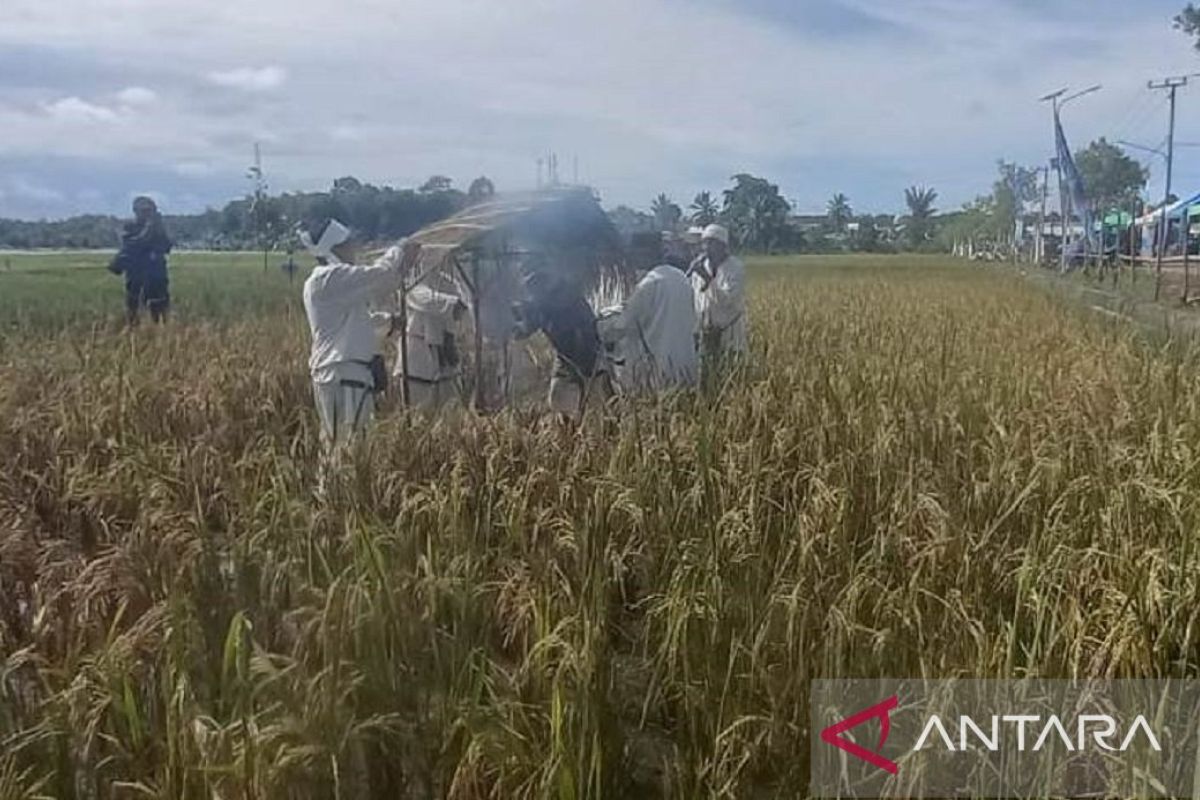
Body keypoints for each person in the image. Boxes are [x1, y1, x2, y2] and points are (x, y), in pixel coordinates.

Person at [301, 219, 422, 454]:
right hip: (343, 373)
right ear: (334, 248)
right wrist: (398, 249)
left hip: (342, 373)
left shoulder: (330, 282)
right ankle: (340, 491)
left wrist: (389, 322)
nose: (353, 248)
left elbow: (360, 319)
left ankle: (337, 490)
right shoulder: (329, 277)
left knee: (341, 447)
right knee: (350, 450)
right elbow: (378, 275)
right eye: (347, 244)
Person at [599, 236, 698, 393]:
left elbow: (623, 324)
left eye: (637, 254)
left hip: (656, 370)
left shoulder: (650, 283)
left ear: (647, 253)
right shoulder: (681, 277)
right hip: (684, 366)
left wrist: (598, 329)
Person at [514, 267, 609, 419]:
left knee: (595, 412)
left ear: (543, 283)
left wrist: (582, 368)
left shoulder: (570, 300)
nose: (531, 292)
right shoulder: (540, 306)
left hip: (589, 360)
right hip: (566, 360)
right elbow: (522, 331)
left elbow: (587, 334)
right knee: (558, 401)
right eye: (529, 288)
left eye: (534, 285)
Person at [394, 282, 467, 410]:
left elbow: (461, 312)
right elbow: (426, 300)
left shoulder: (451, 283)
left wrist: (450, 335)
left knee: (450, 412)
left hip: (445, 355)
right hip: (417, 358)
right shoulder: (412, 281)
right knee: (418, 411)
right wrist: (452, 305)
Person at [109, 196, 173, 326]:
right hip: (136, 276)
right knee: (133, 312)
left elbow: (167, 246)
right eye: (144, 211)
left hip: (156, 276)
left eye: (150, 211)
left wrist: (159, 230)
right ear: (136, 211)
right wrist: (149, 228)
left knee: (159, 312)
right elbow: (135, 243)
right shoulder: (129, 227)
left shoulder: (157, 228)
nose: (148, 214)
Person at [689, 223, 747, 361]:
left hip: (729, 333)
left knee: (729, 372)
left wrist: (707, 278)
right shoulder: (700, 267)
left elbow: (727, 300)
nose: (706, 248)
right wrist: (695, 330)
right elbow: (695, 300)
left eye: (711, 244)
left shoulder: (735, 268)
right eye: (704, 244)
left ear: (722, 246)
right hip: (705, 334)